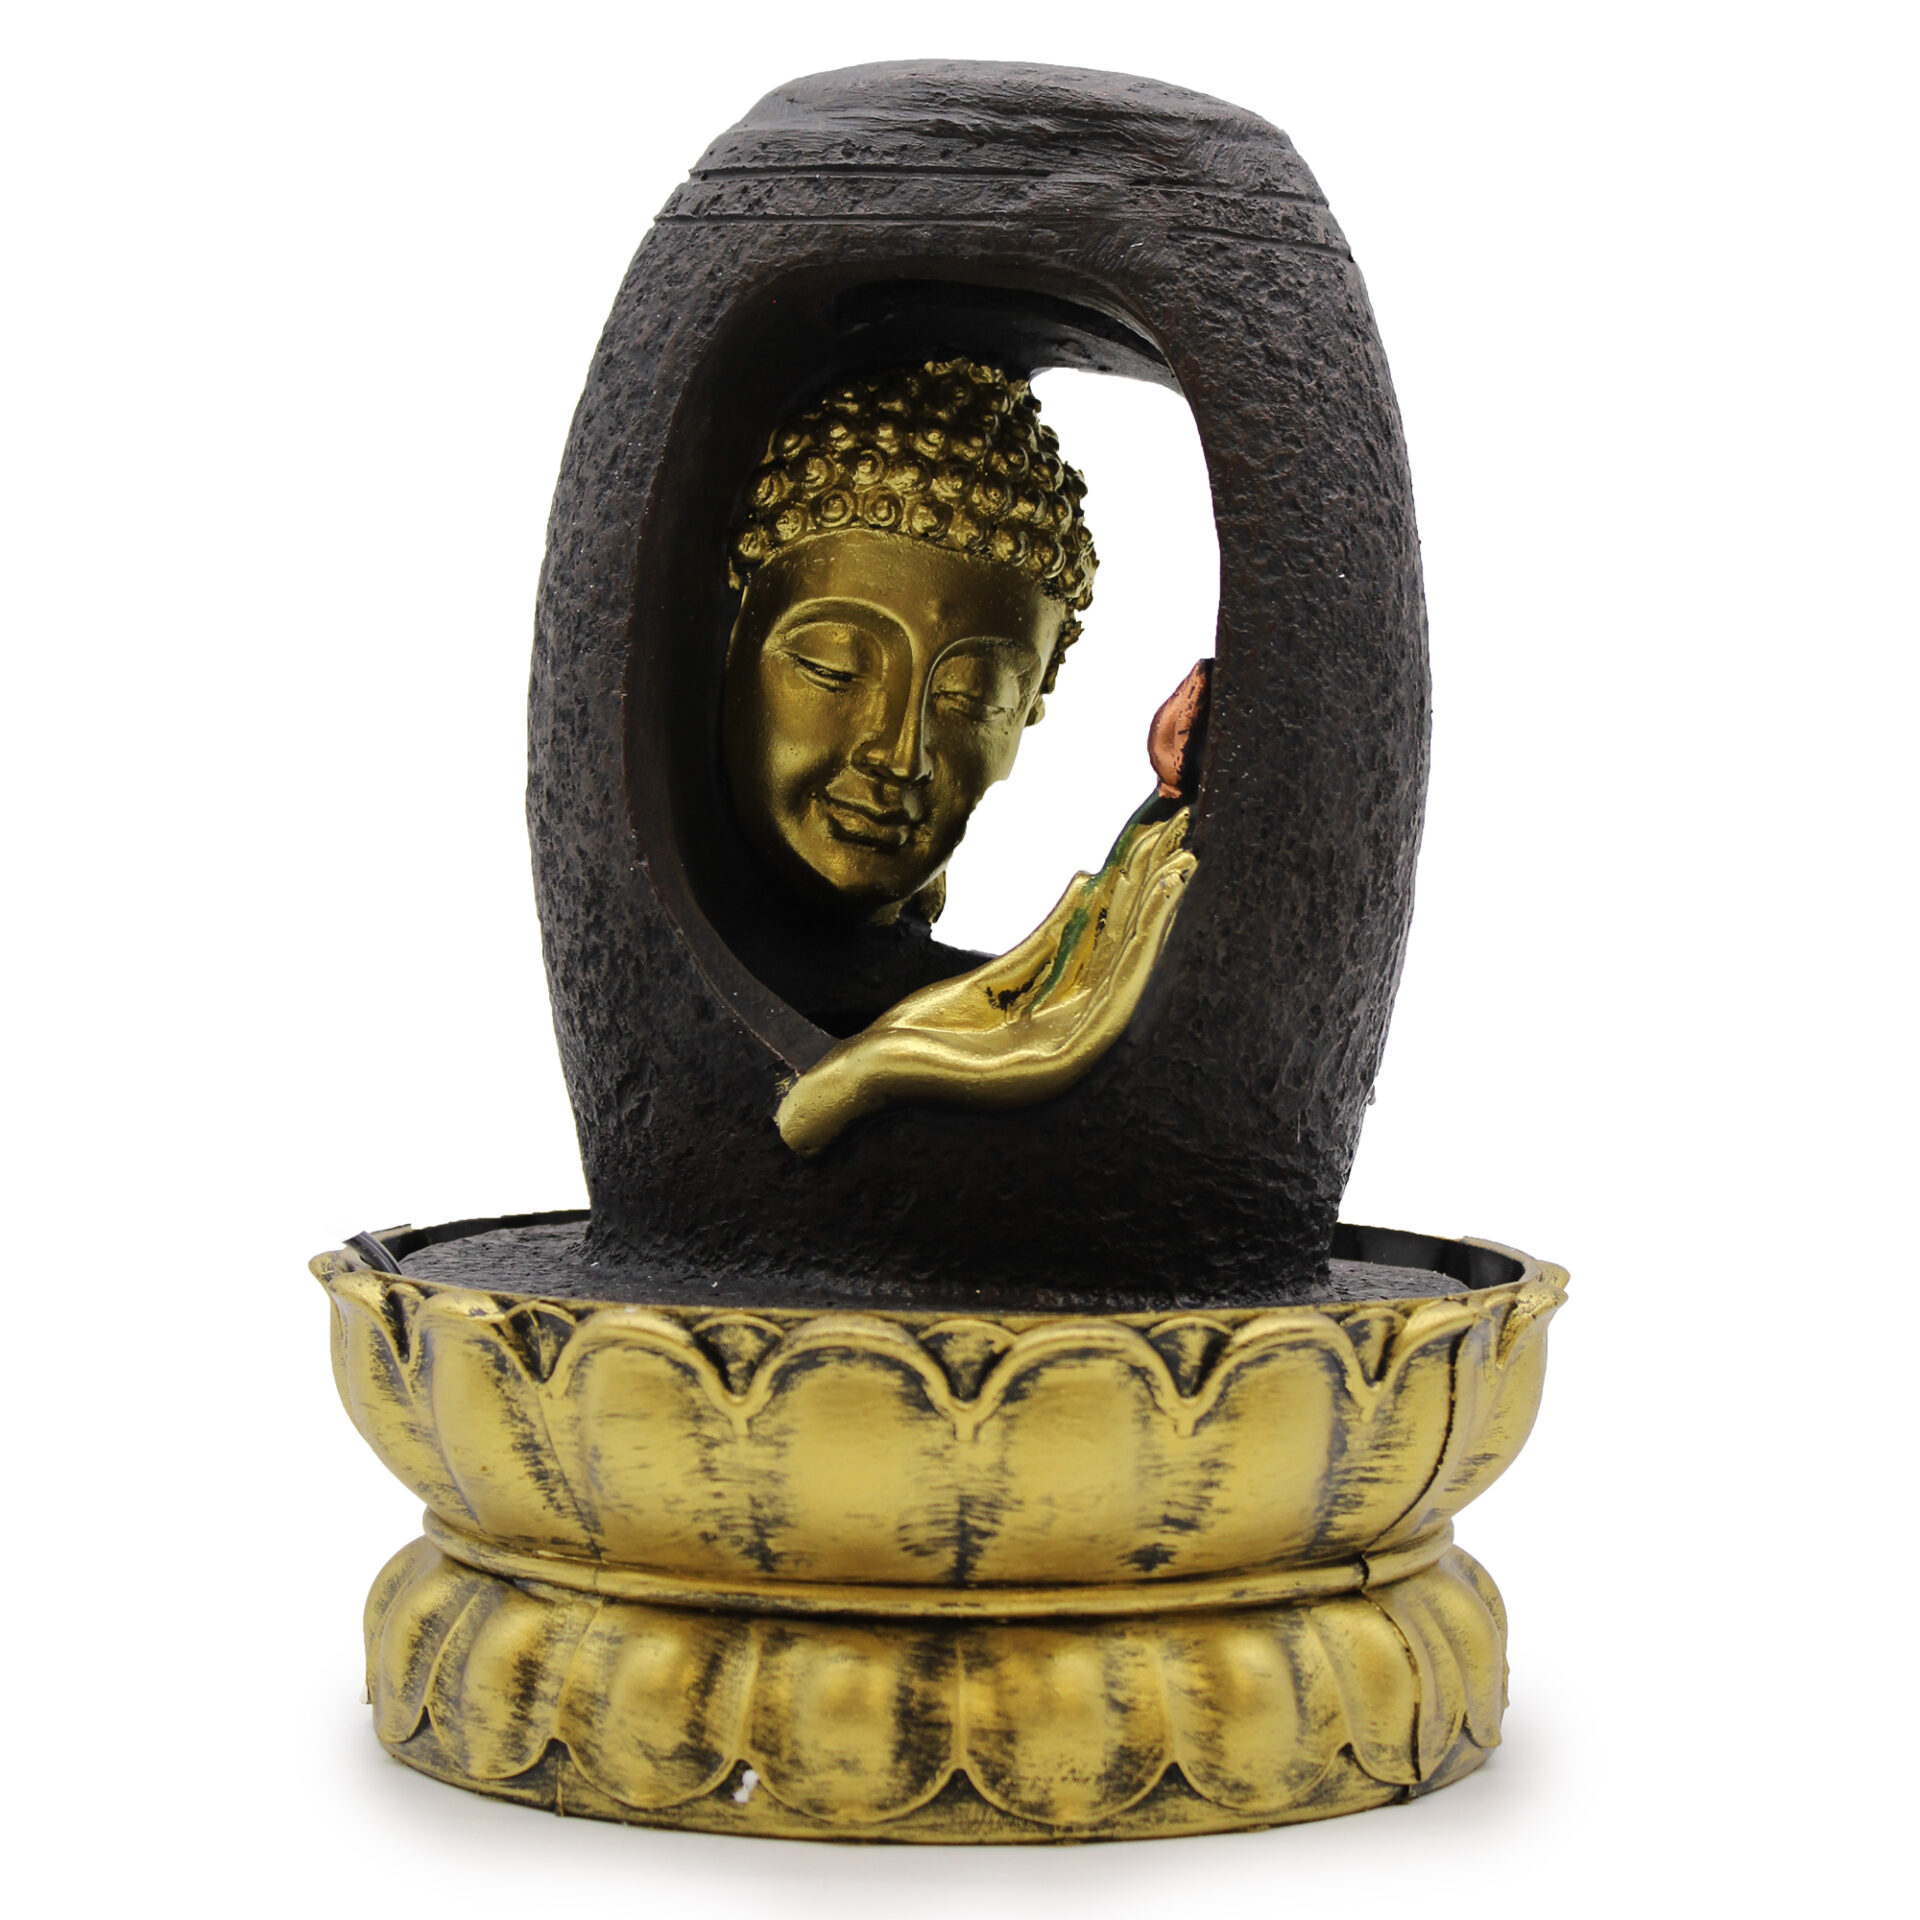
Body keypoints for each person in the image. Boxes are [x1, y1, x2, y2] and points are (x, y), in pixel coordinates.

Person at [722, 358, 1197, 1153]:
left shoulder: (1010, 1013)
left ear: (1030, 710)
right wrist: (868, 1077)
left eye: (972, 703)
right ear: (729, 640)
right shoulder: (681, 983)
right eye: (835, 668)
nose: (898, 752)